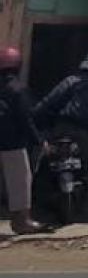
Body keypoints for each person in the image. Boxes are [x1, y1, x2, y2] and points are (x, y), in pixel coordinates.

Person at [33, 51, 88, 190]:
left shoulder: (70, 80)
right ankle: (85, 205)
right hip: (85, 133)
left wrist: (34, 115)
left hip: (62, 128)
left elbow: (49, 102)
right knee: (87, 169)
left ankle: (36, 191)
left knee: (43, 157)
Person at [0, 46, 45, 234]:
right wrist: (39, 140)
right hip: (13, 143)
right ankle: (21, 222)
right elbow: (25, 119)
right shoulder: (18, 89)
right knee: (20, 181)